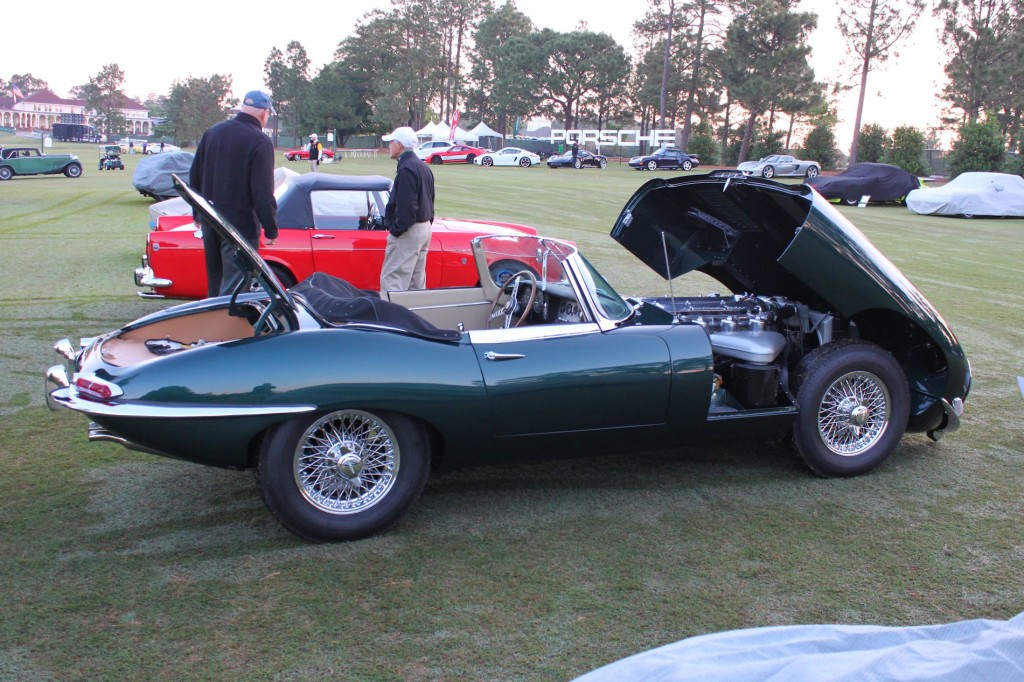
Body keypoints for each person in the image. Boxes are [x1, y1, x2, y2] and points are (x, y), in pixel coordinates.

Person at [190, 89, 279, 297]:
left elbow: (195, 174)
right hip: (240, 227)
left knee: (216, 285)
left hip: (211, 221)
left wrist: (198, 213)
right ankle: (229, 329)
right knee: (236, 291)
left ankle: (214, 328)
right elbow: (263, 192)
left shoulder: (213, 131)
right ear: (264, 113)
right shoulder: (260, 141)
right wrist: (271, 228)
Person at [379, 126, 434, 292]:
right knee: (415, 283)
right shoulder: (422, 166)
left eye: (391, 142)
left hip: (409, 230)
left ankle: (393, 317)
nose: (389, 146)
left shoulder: (407, 169)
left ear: (400, 145)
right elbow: (430, 201)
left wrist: (395, 230)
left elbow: (407, 208)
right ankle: (415, 315)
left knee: (393, 280)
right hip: (424, 228)